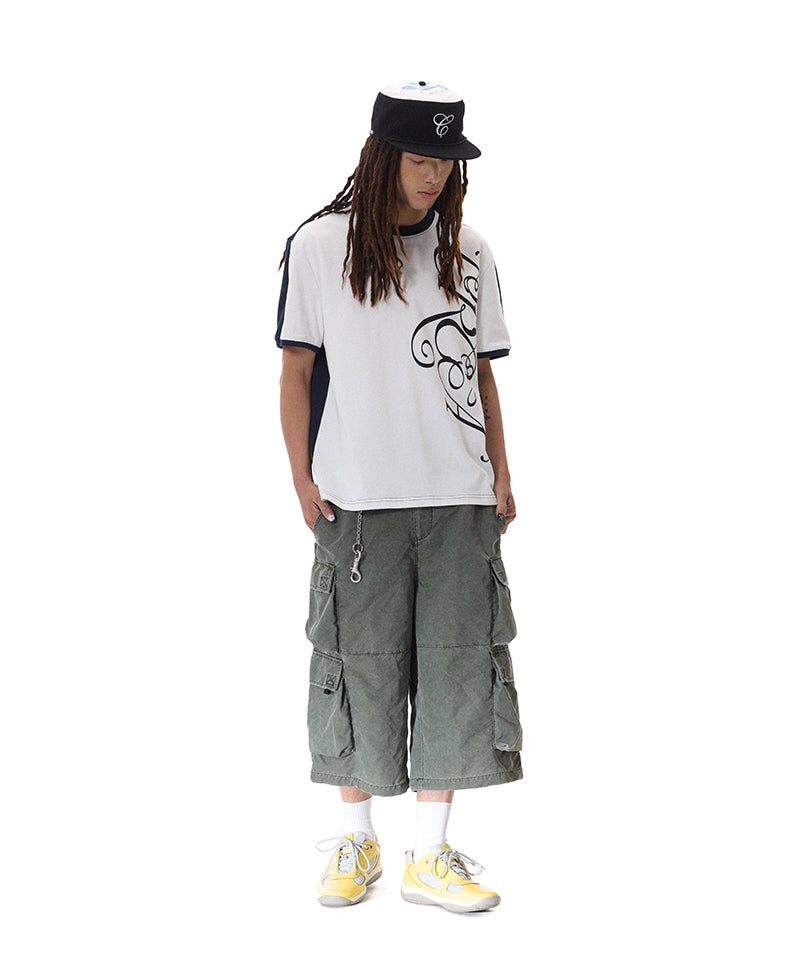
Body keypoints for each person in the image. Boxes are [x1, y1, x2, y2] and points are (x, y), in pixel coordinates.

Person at [276, 80, 522, 913]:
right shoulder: (321, 247)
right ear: (383, 156)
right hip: (358, 501)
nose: (433, 176)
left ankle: (430, 853)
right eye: (420, 158)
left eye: (446, 162)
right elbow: (297, 370)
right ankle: (358, 839)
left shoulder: (469, 252)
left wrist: (502, 471)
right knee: (358, 667)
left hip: (458, 498)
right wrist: (302, 478)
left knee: (456, 668)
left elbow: (480, 373)